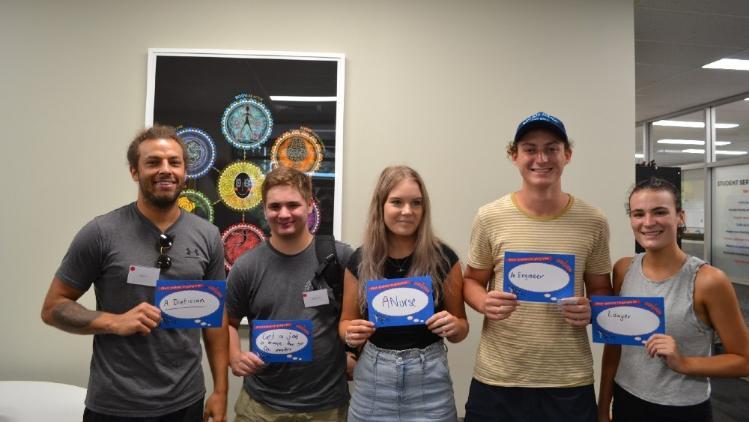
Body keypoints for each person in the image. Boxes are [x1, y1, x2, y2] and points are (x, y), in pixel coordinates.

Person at [41, 125, 229, 421]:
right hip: (115, 404)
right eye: (153, 162)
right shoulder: (100, 233)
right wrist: (114, 322)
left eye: (174, 162)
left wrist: (220, 390)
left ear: (184, 172)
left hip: (186, 401)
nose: (165, 169)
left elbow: (216, 318)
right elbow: (53, 308)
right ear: (134, 172)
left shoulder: (208, 235)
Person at [462, 112, 613, 422]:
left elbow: (601, 289)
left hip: (568, 379)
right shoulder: (489, 216)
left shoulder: (593, 220)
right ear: (514, 155)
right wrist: (483, 301)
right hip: (499, 377)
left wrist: (592, 310)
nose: (541, 159)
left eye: (551, 149)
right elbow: (471, 281)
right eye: (530, 149)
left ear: (567, 155)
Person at [597, 177, 749, 422]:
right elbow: (614, 346)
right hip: (626, 400)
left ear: (680, 217)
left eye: (660, 212)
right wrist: (603, 408)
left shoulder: (708, 281)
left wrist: (685, 363)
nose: (648, 222)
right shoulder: (624, 269)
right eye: (638, 214)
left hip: (681, 409)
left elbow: (744, 361)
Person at [340, 165, 469, 422]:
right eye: (397, 202)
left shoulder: (444, 259)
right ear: (381, 206)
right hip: (374, 381)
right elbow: (345, 323)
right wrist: (350, 333)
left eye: (416, 203)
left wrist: (453, 326)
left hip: (429, 381)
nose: (407, 211)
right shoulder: (360, 260)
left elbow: (462, 328)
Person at [225, 166, 354, 421]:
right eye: (275, 207)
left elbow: (360, 315)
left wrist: (356, 353)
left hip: (326, 407)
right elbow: (227, 322)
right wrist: (234, 356)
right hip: (260, 407)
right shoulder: (247, 266)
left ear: (309, 206)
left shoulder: (339, 257)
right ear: (264, 210)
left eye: (293, 205)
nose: (283, 214)